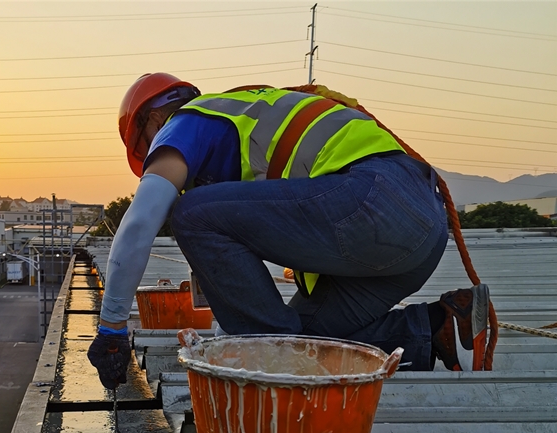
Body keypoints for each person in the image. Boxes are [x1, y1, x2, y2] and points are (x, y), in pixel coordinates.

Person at [86, 73, 490, 389]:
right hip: (417, 235)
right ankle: (435, 326)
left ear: (154, 119)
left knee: (190, 214)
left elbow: (140, 220)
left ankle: (267, 351)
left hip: (376, 202)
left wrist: (112, 327)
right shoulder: (245, 123)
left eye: (147, 149)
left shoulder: (188, 120)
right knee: (301, 344)